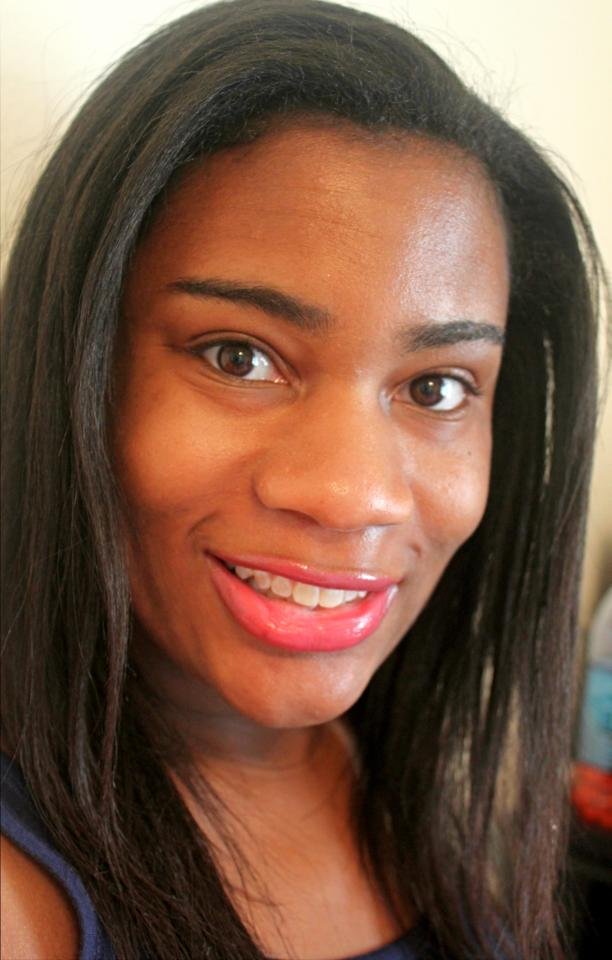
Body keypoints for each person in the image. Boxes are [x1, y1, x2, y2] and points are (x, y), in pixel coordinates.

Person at [0, 1, 605, 958]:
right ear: (74, 367)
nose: (354, 494)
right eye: (238, 356)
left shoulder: (404, 773)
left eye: (437, 387)